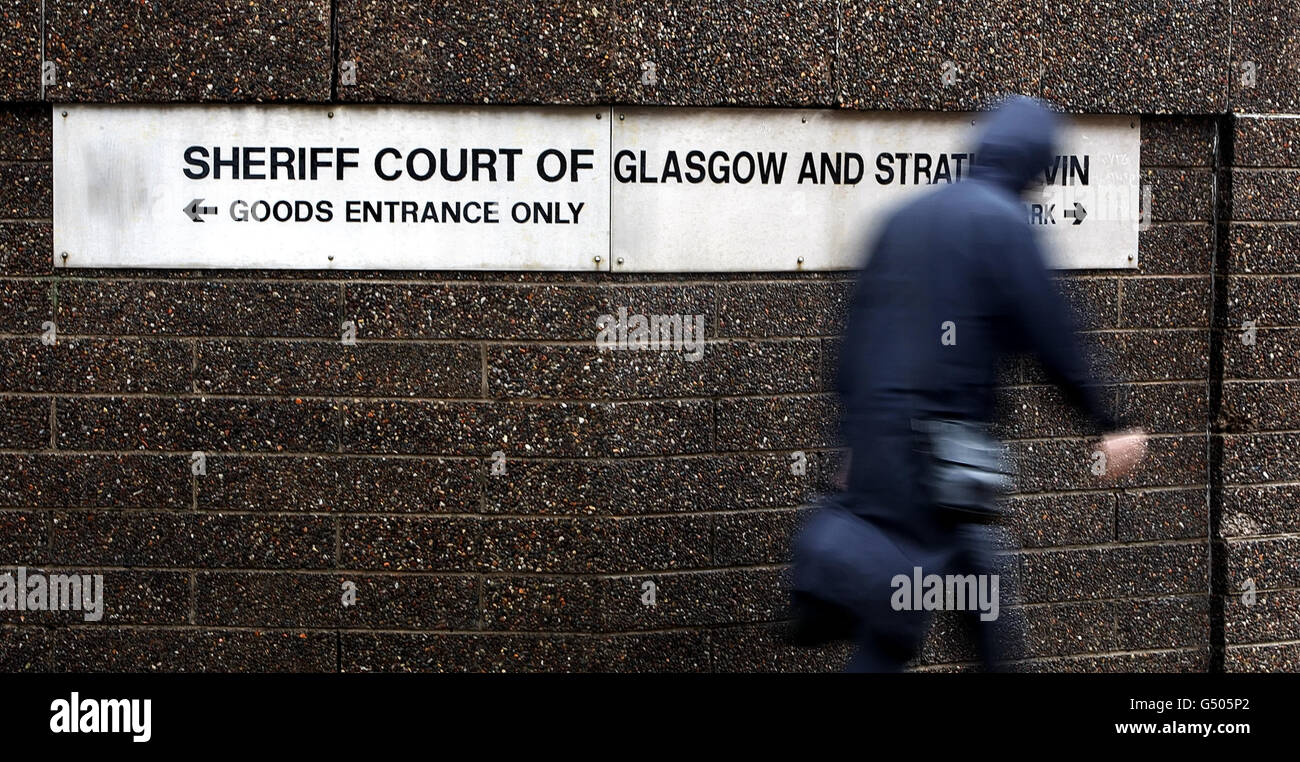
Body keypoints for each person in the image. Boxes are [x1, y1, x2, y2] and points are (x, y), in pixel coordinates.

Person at [792, 95, 1148, 672]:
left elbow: (853, 338)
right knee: (945, 602)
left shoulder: (904, 218)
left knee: (914, 603)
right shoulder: (1003, 225)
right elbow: (1053, 333)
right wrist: (1107, 420)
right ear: (1035, 164)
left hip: (884, 448)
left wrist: (852, 439)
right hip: (942, 461)